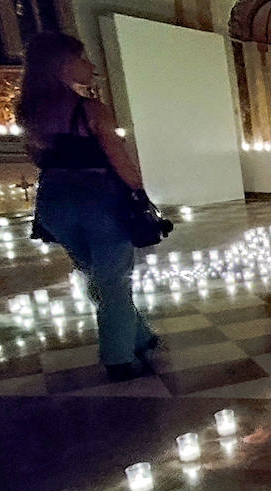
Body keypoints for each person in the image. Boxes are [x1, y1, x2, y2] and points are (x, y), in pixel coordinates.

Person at [19, 33, 158, 381]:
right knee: (113, 279)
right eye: (84, 59)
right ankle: (118, 356)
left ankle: (140, 335)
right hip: (99, 201)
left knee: (95, 274)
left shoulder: (29, 112)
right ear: (65, 64)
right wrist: (140, 194)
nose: (91, 66)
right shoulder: (91, 110)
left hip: (54, 201)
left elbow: (37, 157)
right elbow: (118, 157)